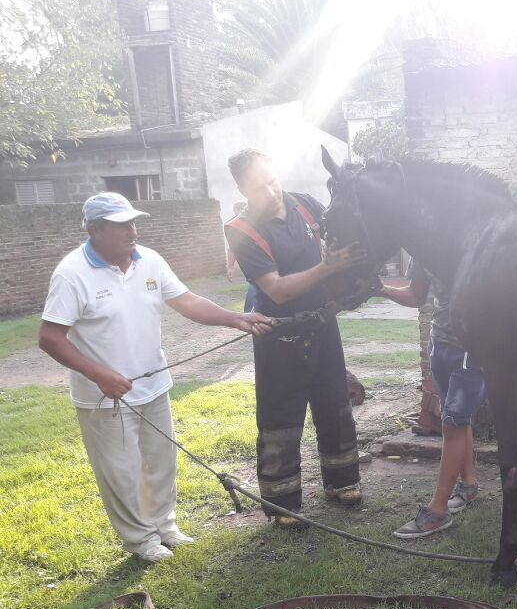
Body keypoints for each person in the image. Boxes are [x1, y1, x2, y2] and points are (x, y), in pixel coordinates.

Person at [39, 192, 274, 562]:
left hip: (153, 385)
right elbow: (50, 338)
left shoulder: (149, 260)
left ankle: (165, 526)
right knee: (121, 472)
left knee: (160, 462)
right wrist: (99, 374)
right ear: (96, 230)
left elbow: (187, 300)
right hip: (105, 396)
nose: (132, 231)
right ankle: (141, 540)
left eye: (133, 222)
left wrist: (237, 319)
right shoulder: (72, 274)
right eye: (121, 225)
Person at [224, 148, 367, 528]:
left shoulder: (306, 206)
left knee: (334, 401)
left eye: (273, 181)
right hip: (278, 334)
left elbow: (337, 244)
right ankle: (283, 501)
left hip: (322, 324)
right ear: (241, 188)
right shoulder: (240, 231)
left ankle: (343, 481)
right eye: (259, 187)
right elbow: (277, 290)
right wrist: (326, 268)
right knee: (280, 415)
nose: (271, 192)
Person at [379, 261, 486, 539]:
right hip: (439, 344)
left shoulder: (476, 242)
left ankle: (437, 510)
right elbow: (416, 296)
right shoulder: (422, 250)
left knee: (452, 425)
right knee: (457, 422)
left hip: (471, 350)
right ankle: (469, 485)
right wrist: (380, 289)